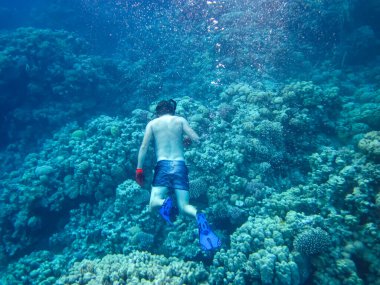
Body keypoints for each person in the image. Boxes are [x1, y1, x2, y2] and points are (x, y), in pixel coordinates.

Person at [135, 99, 221, 251]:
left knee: (152, 203)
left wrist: (139, 169)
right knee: (184, 207)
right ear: (172, 110)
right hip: (180, 165)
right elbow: (196, 139)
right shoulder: (180, 120)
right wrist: (188, 139)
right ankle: (199, 216)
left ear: (158, 112)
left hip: (163, 165)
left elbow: (143, 147)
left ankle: (163, 203)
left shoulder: (153, 124)